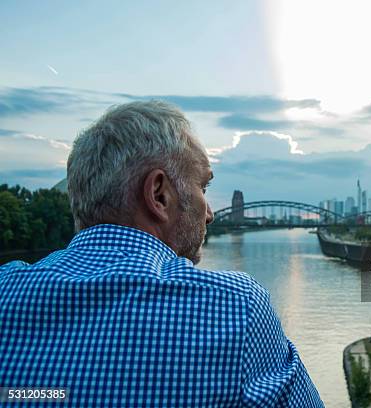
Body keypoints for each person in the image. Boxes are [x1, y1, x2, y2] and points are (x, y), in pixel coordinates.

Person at [0, 101, 324, 407]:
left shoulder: (6, 290)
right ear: (159, 194)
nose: (210, 213)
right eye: (204, 188)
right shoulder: (235, 308)